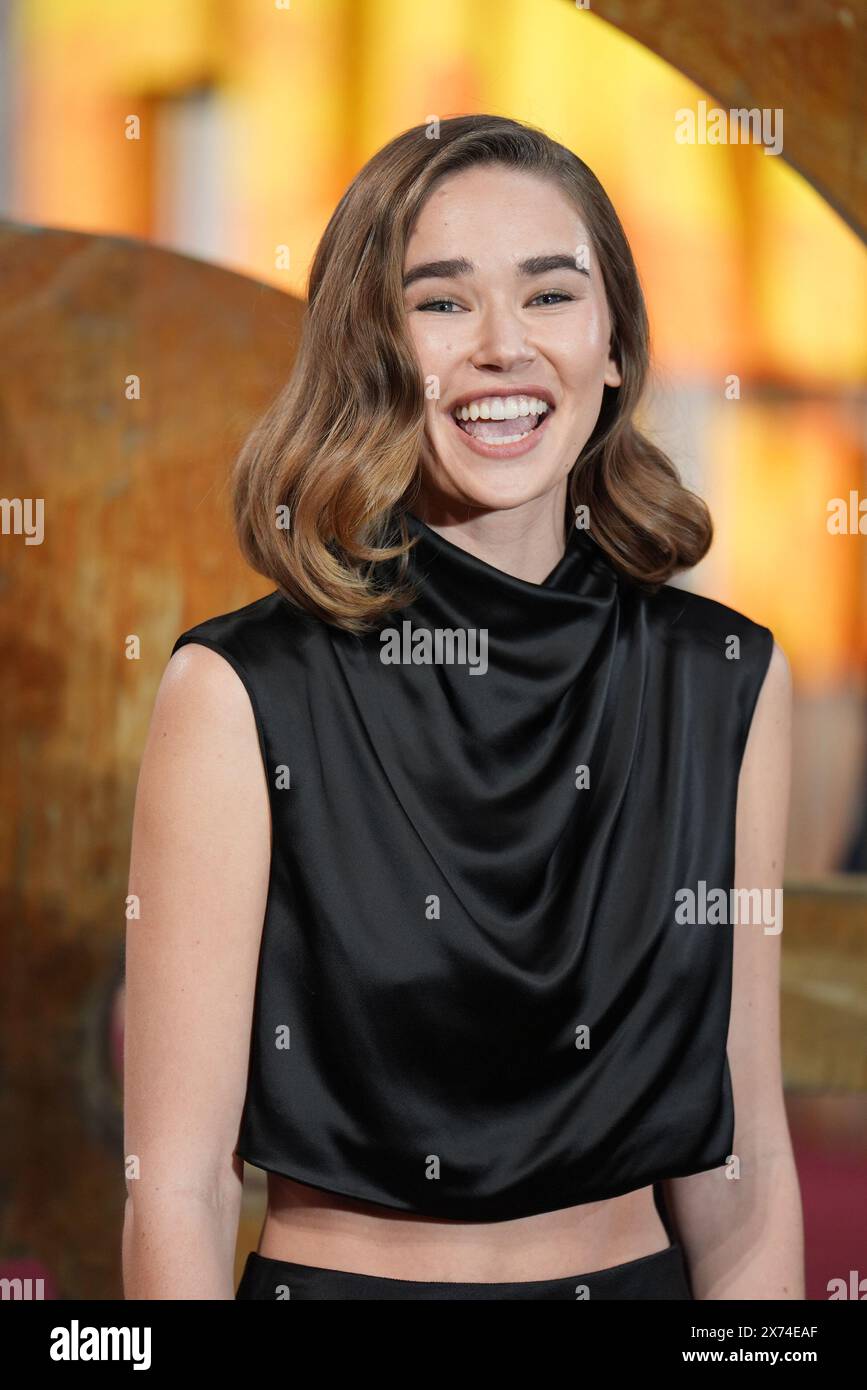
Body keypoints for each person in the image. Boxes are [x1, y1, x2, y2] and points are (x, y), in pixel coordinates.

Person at [122, 114, 803, 1300]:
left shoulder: (725, 681)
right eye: (441, 303)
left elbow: (740, 1167)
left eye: (549, 296)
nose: (503, 347)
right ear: (371, 350)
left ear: (612, 345)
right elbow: (175, 1187)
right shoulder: (238, 694)